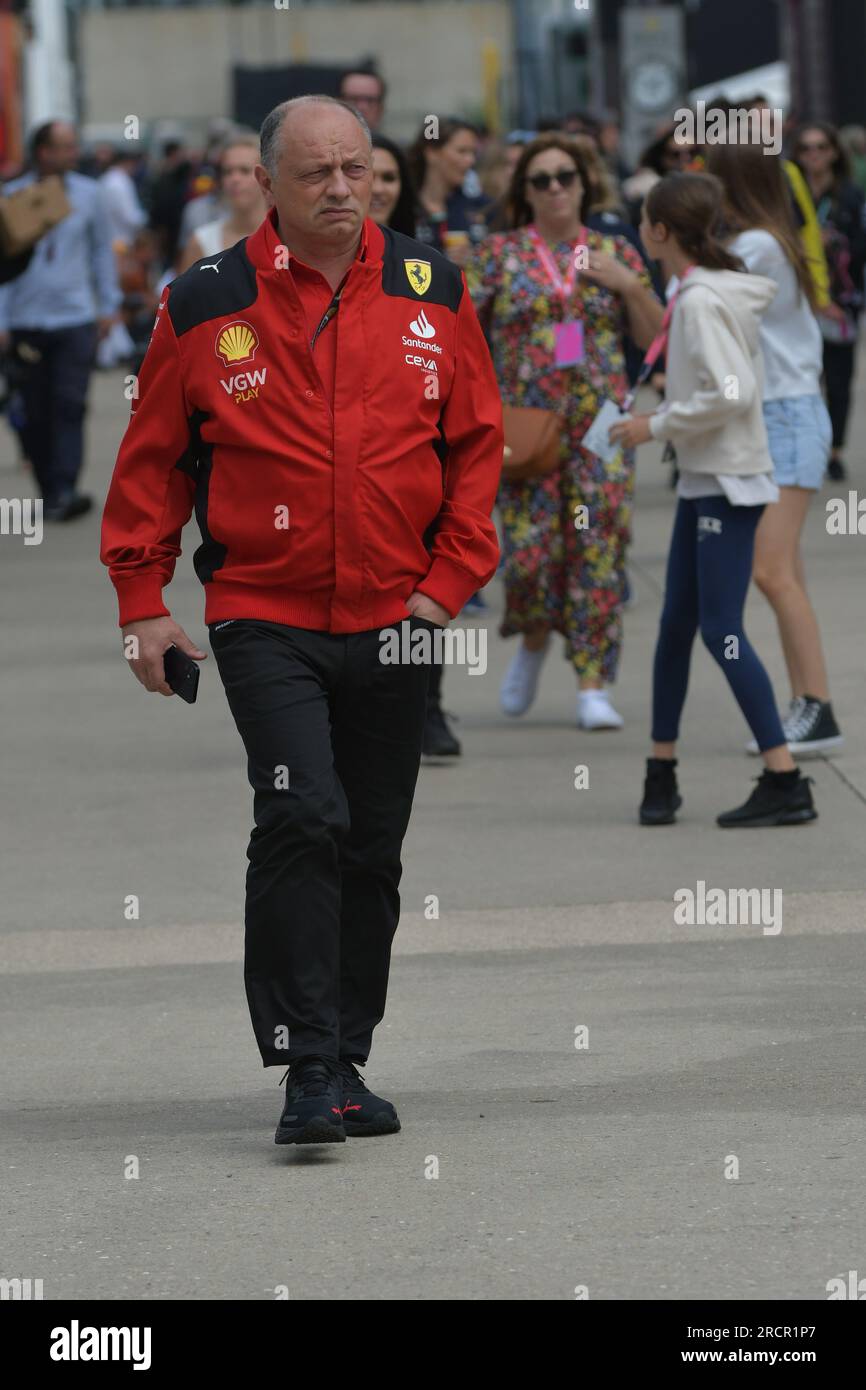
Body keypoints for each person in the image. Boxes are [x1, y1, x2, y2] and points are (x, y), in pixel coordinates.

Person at [100, 95, 503, 1149]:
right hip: (262, 614)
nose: (341, 189)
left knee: (370, 845)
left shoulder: (432, 287)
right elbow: (149, 466)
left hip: (400, 615)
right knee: (299, 817)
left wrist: (443, 587)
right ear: (263, 183)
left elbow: (475, 451)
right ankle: (305, 1065)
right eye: (316, 172)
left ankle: (346, 1053)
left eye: (356, 169)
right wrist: (142, 603)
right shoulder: (203, 303)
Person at [609, 172, 817, 829]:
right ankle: (660, 770)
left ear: (661, 232)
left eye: (645, 219)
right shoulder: (697, 292)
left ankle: (786, 778)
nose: (640, 228)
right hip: (709, 481)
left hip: (727, 484)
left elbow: (731, 393)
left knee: (720, 629)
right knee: (677, 626)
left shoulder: (699, 299)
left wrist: (656, 424)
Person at [466, 134, 661, 729]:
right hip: (526, 424)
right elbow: (461, 336)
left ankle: (592, 684)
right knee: (529, 554)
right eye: (541, 179)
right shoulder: (499, 254)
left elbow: (656, 339)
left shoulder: (612, 249)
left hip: (600, 426)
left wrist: (629, 287)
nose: (555, 188)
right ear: (523, 190)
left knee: (598, 552)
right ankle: (531, 640)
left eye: (565, 176)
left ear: (585, 183)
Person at [707, 142, 841, 758]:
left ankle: (816, 708)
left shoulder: (756, 247)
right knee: (785, 573)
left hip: (786, 419)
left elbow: (707, 310)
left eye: (712, 178)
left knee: (771, 571)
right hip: (783, 418)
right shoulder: (769, 241)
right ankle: (809, 704)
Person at [0, 120, 120, 521]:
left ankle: (66, 488)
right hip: (26, 319)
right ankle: (49, 487)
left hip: (75, 317)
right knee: (34, 408)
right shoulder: (12, 196)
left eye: (73, 146)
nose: (72, 154)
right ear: (42, 152)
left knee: (70, 404)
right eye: (63, 147)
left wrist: (109, 305)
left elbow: (102, 252)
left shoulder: (91, 195)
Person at [794, 121, 866, 481]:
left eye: (821, 147)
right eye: (806, 148)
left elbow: (861, 246)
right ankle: (809, 446)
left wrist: (831, 241)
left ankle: (835, 450)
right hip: (800, 303)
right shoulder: (791, 193)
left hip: (841, 304)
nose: (814, 155)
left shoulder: (850, 196)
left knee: (838, 380)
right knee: (804, 379)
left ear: (834, 152)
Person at [176, 133, 267, 272]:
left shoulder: (288, 237)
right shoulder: (202, 241)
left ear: (265, 177)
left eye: (245, 171)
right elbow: (182, 293)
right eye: (227, 172)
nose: (235, 179)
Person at [408, 118, 489, 268]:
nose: (471, 160)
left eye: (473, 153)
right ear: (431, 152)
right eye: (462, 151)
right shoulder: (403, 206)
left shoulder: (481, 207)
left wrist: (475, 259)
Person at [100, 148, 147, 248]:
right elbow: (130, 217)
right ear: (128, 163)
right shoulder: (120, 182)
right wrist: (145, 219)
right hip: (121, 241)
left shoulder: (107, 178)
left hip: (110, 238)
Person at [338, 67, 387, 132]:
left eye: (370, 101)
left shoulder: (388, 142)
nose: (362, 107)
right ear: (338, 103)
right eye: (353, 99)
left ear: (381, 109)